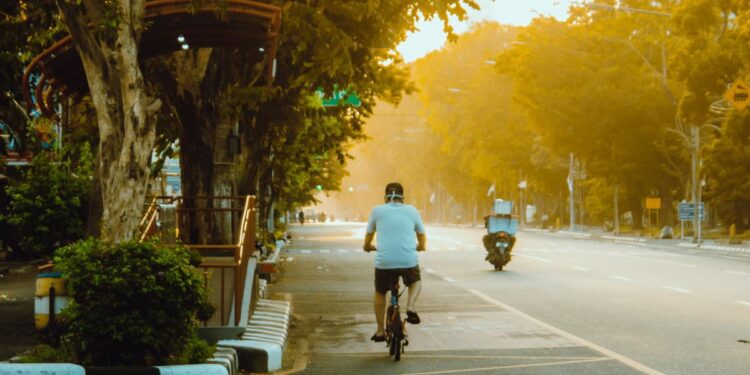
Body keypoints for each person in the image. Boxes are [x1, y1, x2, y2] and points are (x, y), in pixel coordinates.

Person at [363, 182, 426, 342]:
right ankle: (410, 306)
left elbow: (369, 235)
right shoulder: (412, 210)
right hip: (408, 261)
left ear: (385, 197)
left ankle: (379, 331)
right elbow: (421, 235)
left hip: (384, 263)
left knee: (380, 291)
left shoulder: (377, 210)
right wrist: (421, 247)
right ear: (402, 197)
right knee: (416, 282)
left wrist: (367, 247)